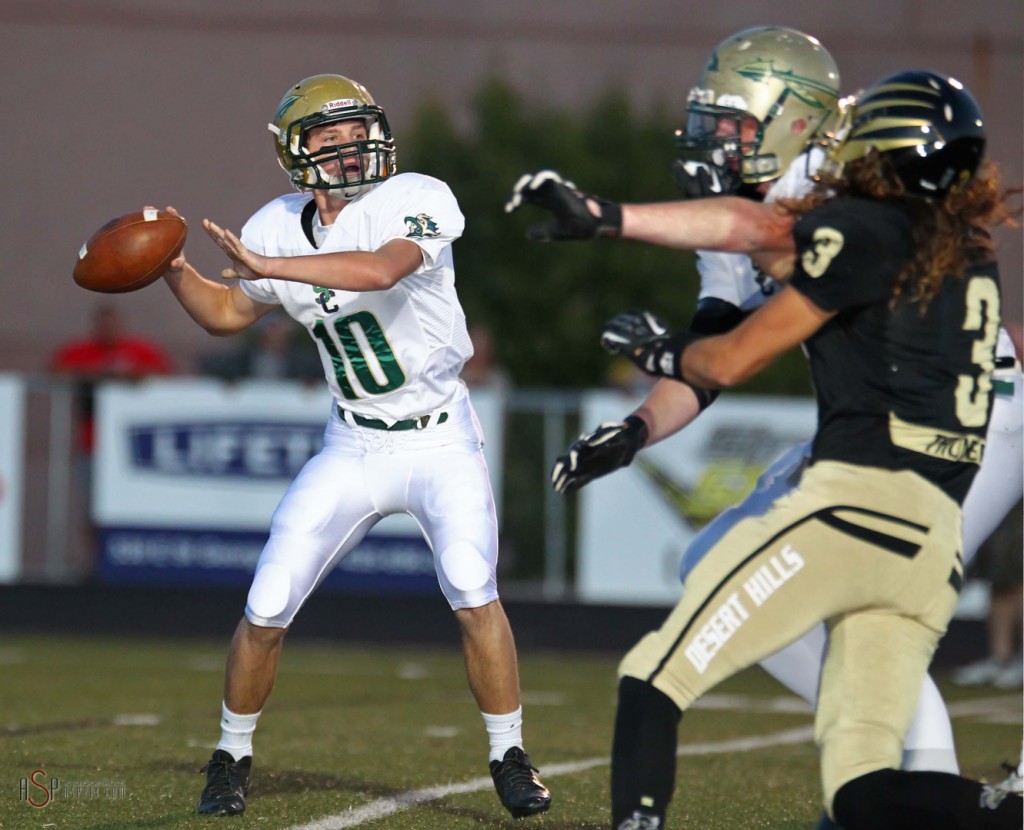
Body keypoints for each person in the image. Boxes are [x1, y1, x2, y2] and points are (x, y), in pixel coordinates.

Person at [507, 69, 1022, 829]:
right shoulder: (929, 223)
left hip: (947, 436)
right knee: (850, 735)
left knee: (658, 676)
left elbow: (741, 296)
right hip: (920, 457)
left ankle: (921, 775)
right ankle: (936, 800)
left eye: (734, 124)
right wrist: (642, 426)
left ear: (798, 119)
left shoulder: (847, 190)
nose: (715, 141)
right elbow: (731, 298)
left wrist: (608, 226)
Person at [158, 73, 550, 819]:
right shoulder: (276, 224)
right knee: (267, 600)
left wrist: (274, 271)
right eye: (328, 138)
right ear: (293, 155)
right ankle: (231, 756)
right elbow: (226, 312)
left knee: (473, 588)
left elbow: (378, 270)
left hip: (441, 438)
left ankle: (510, 754)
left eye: (356, 131)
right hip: (354, 442)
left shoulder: (418, 197)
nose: (350, 147)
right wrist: (172, 271)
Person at [50, 301, 174, 453]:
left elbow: (165, 374)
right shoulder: (81, 350)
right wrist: (95, 374)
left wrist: (130, 376)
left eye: (113, 324)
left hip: (133, 428)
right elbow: (57, 372)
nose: (109, 329)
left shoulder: (140, 349)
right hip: (93, 432)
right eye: (104, 325)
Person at [198, 310, 323, 383]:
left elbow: (321, 375)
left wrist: (311, 383)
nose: (275, 334)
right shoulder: (243, 358)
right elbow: (214, 367)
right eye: (271, 329)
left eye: (279, 329)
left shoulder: (303, 360)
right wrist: (230, 380)